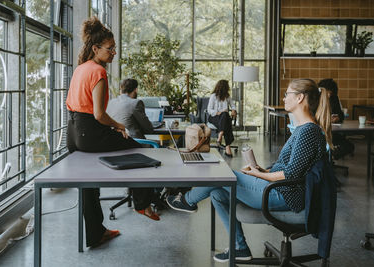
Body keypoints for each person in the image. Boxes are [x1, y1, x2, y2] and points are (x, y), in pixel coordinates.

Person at [167, 79, 332, 262]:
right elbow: (293, 168)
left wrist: (259, 174)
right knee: (217, 193)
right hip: (279, 188)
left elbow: (291, 174)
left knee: (222, 176)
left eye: (287, 94)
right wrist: (261, 169)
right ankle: (240, 248)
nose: (284, 98)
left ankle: (188, 200)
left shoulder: (309, 131)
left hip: (284, 194)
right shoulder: (303, 129)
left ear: (300, 98)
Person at [66, 17, 159, 248]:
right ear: (96, 48)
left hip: (74, 132)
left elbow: (81, 108)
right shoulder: (98, 72)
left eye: (114, 47)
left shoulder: (80, 69)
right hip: (90, 131)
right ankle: (142, 202)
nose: (114, 52)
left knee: (88, 184)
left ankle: (96, 233)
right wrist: (119, 126)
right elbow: (98, 114)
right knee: (141, 148)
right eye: (110, 48)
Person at [318, 78, 354, 159]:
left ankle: (331, 157)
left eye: (331, 93)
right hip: (319, 133)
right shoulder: (315, 99)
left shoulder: (334, 98)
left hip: (332, 132)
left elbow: (341, 115)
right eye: (328, 93)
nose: (329, 96)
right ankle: (327, 157)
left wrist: (337, 118)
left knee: (350, 146)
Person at [207, 80, 237, 157]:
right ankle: (227, 145)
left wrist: (233, 110)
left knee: (225, 116)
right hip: (214, 117)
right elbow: (209, 110)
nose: (228, 88)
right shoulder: (213, 96)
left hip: (224, 118)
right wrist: (218, 113)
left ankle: (220, 136)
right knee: (225, 116)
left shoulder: (227, 97)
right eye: (227, 86)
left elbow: (233, 105)